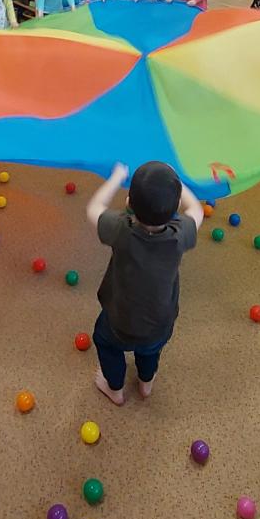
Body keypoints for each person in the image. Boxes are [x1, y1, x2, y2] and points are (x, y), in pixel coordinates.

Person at [85, 161, 202, 406]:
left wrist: (116, 177)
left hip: (119, 320)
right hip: (159, 322)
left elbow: (94, 208)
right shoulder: (180, 234)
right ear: (175, 209)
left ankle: (115, 389)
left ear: (128, 203)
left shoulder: (120, 229)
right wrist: (179, 183)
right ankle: (146, 383)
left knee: (105, 343)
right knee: (150, 350)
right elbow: (196, 209)